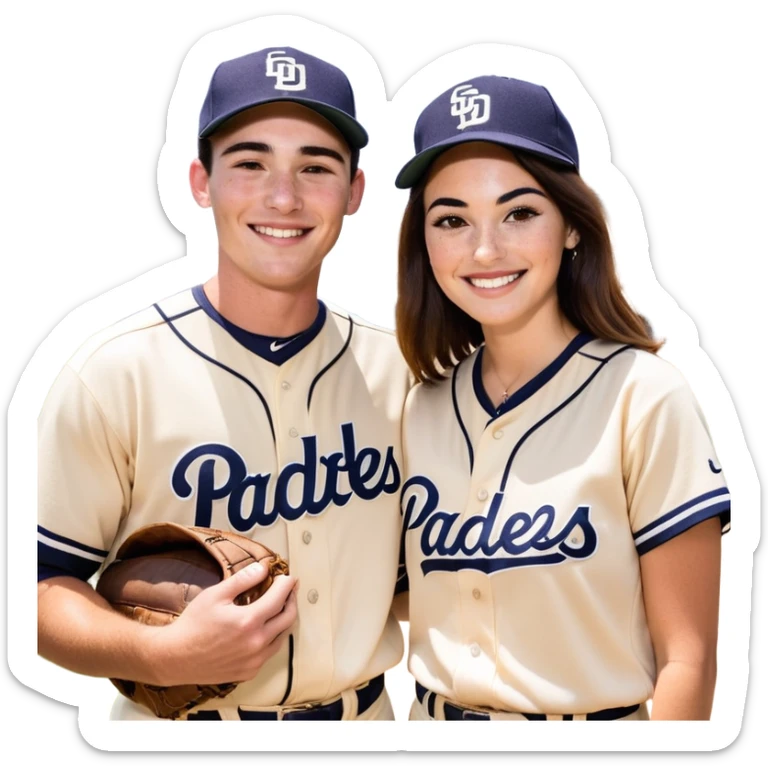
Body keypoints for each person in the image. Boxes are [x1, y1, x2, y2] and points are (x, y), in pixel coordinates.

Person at [36, 45, 411, 721]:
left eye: (316, 167)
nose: (283, 196)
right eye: (249, 163)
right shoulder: (116, 372)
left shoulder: (403, 374)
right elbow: (33, 589)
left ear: (354, 193)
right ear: (200, 182)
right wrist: (157, 656)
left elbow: (424, 580)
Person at [393, 74, 730, 721]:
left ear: (572, 226)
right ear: (424, 242)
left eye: (519, 212)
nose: (485, 248)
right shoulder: (419, 408)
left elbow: (688, 659)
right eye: (452, 219)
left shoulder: (645, 396)